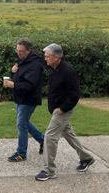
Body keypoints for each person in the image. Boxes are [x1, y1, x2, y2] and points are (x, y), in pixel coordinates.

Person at [35, 43, 95, 181]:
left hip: (62, 110)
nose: (45, 59)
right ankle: (86, 158)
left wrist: (62, 109)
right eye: (45, 56)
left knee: (50, 137)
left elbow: (74, 95)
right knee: (68, 134)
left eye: (47, 56)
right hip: (56, 109)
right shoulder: (53, 69)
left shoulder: (68, 71)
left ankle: (49, 171)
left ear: (56, 57)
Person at [3, 38, 44, 162]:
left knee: (21, 124)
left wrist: (13, 85)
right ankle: (44, 140)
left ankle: (21, 153)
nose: (18, 53)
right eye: (17, 50)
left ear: (28, 51)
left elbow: (29, 86)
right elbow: (19, 77)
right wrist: (13, 71)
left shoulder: (35, 65)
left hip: (29, 99)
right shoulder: (23, 61)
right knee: (25, 123)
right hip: (21, 98)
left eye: (21, 51)